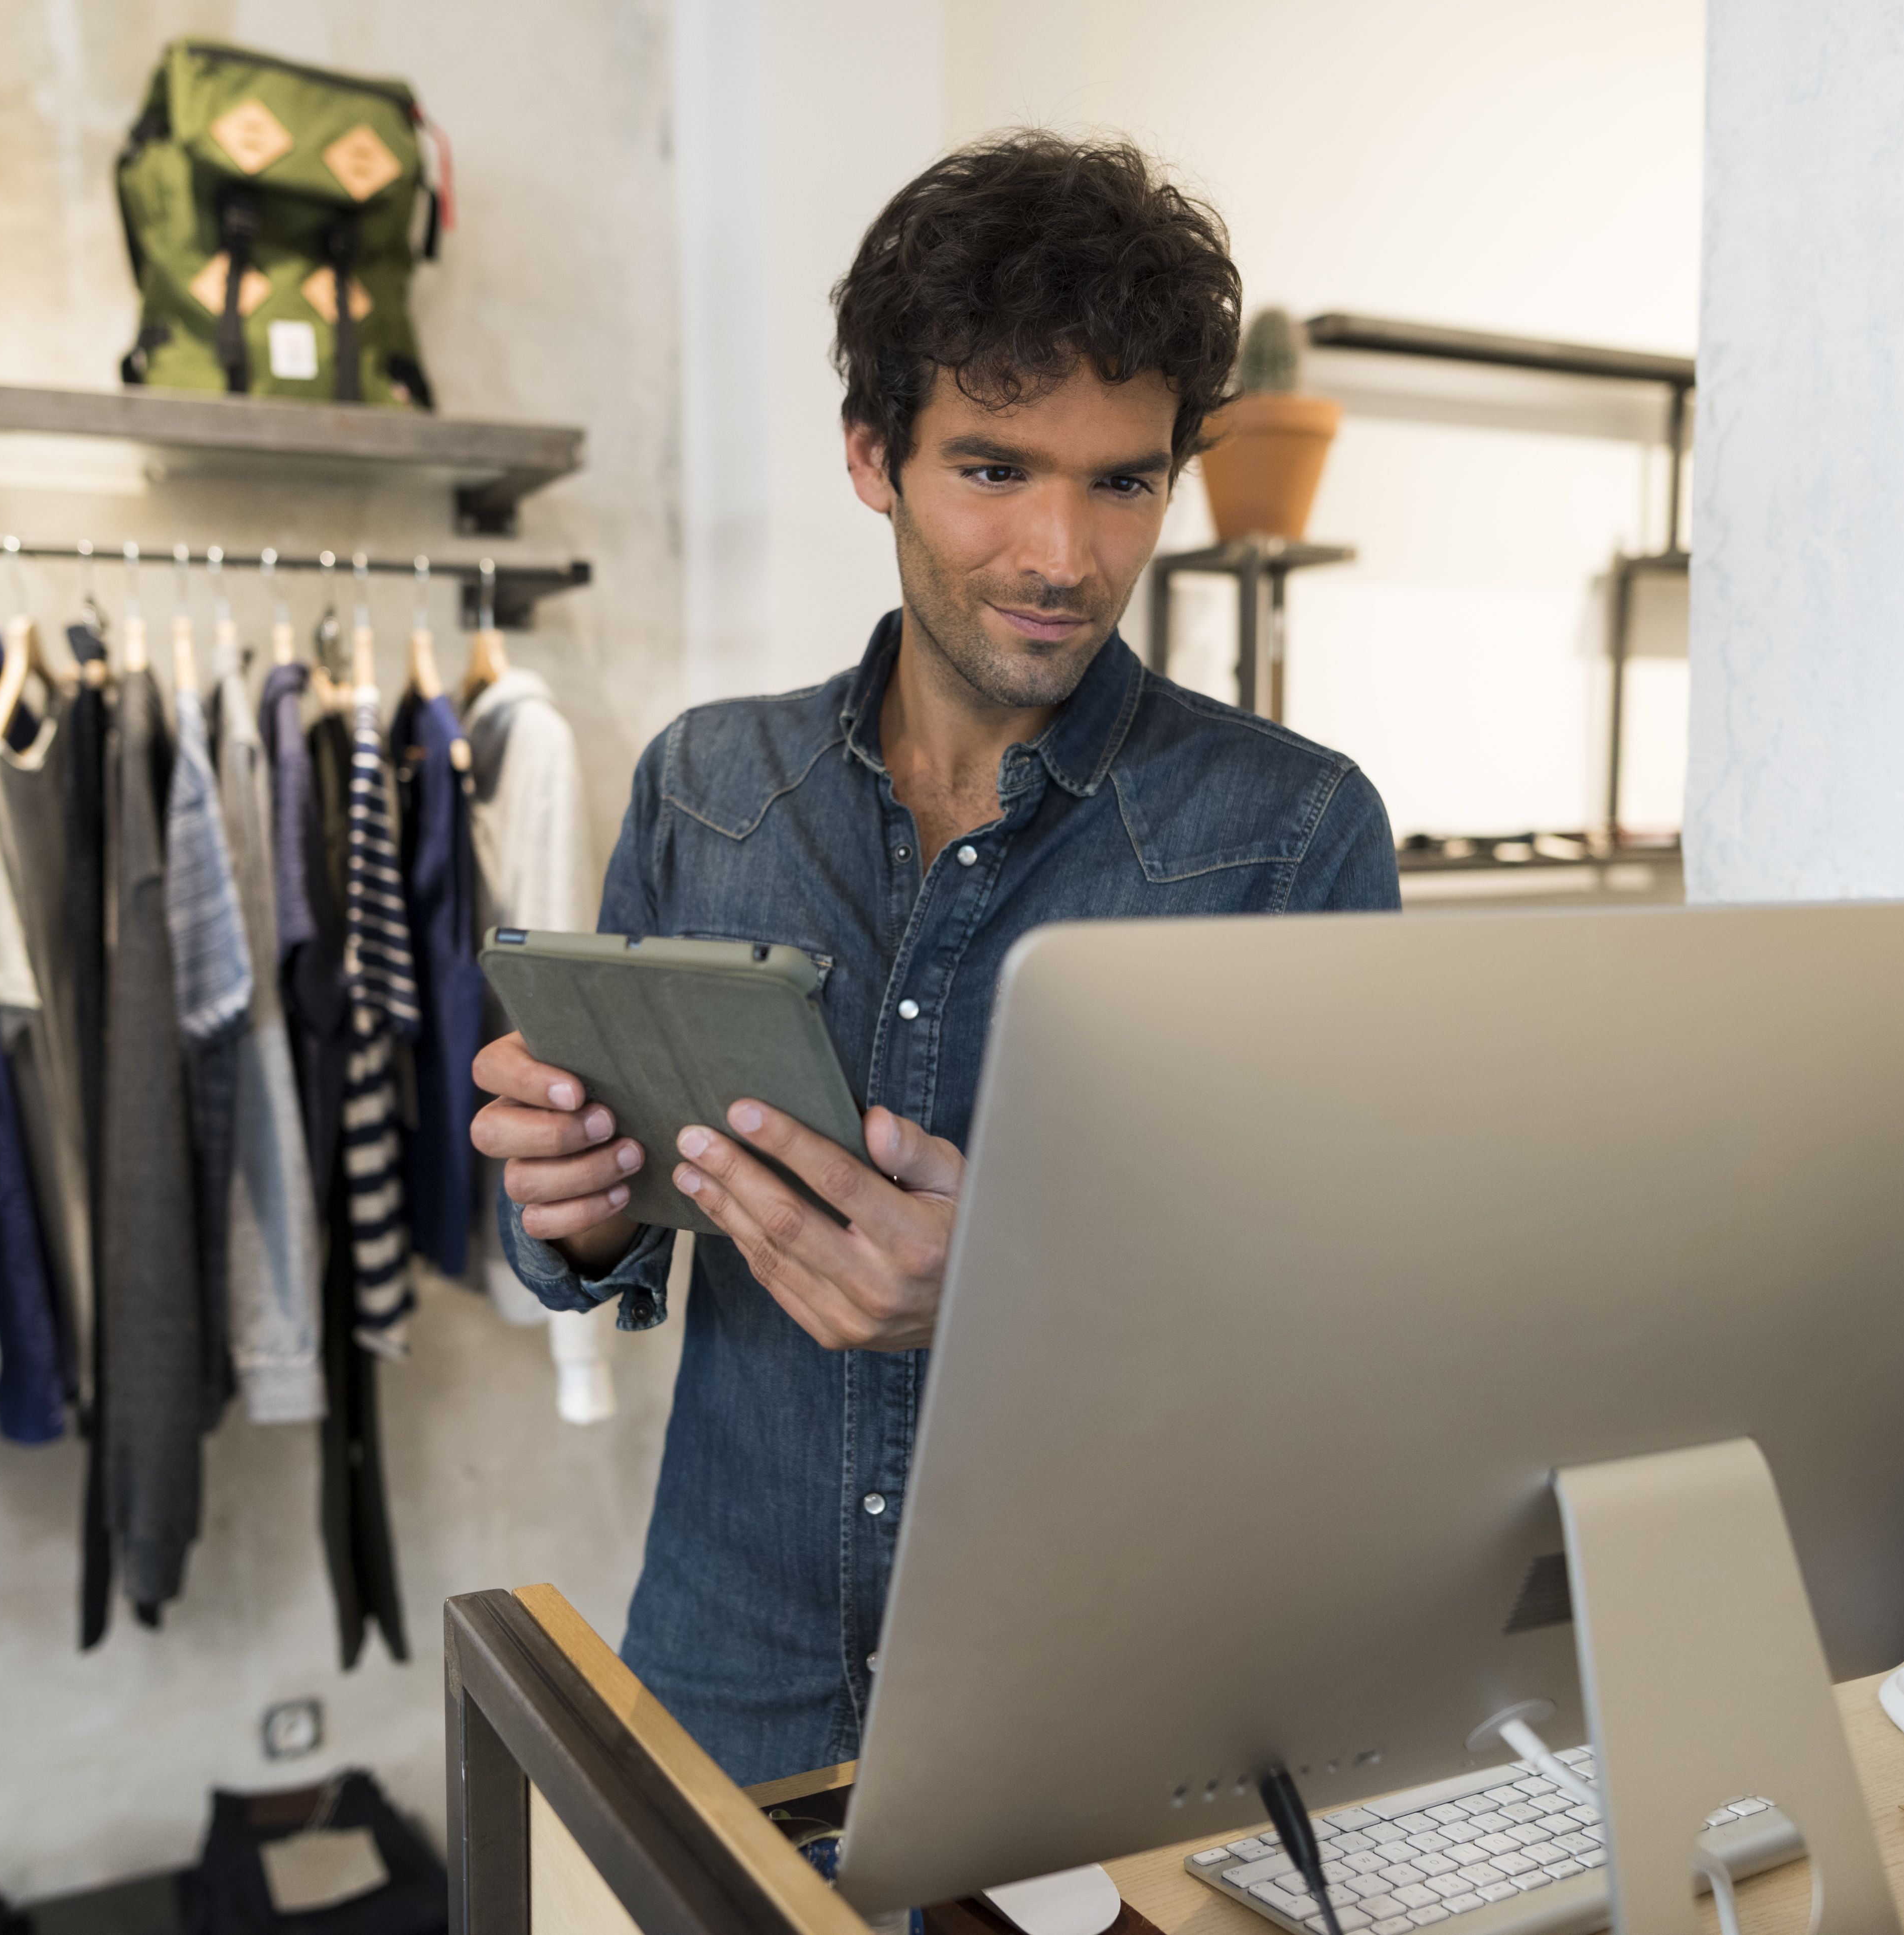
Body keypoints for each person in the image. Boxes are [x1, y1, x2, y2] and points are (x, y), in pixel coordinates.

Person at [471, 132, 1400, 1783]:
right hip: (727, 1663)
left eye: (1123, 480)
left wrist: (1017, 1304)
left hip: (1099, 1707)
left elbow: (1347, 1361)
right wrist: (575, 1195)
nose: (1063, 555)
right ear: (869, 453)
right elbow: (586, 1247)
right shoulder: (708, 782)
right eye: (993, 468)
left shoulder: (1295, 832)